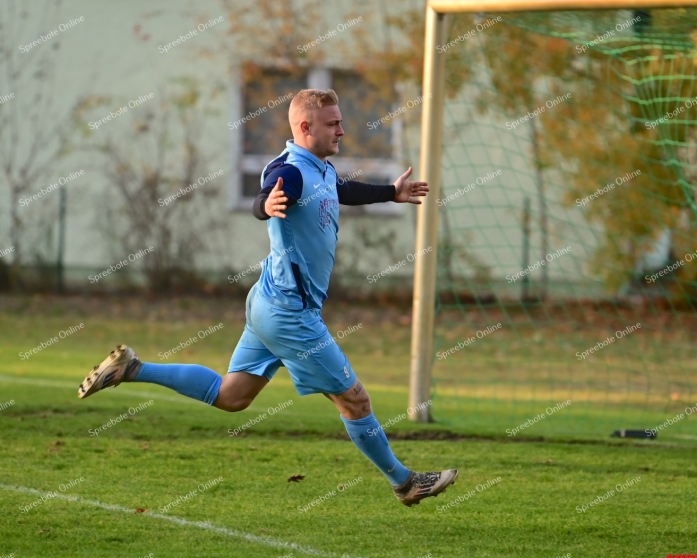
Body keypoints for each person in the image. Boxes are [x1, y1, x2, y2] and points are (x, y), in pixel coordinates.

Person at [78, 88, 457, 507]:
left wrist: (390, 192)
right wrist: (266, 204)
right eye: (333, 124)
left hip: (268, 302)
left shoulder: (322, 169)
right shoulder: (290, 171)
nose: (343, 131)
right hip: (290, 314)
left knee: (231, 396)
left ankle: (134, 369)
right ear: (305, 127)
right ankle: (405, 483)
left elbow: (340, 190)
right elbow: (267, 194)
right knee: (354, 399)